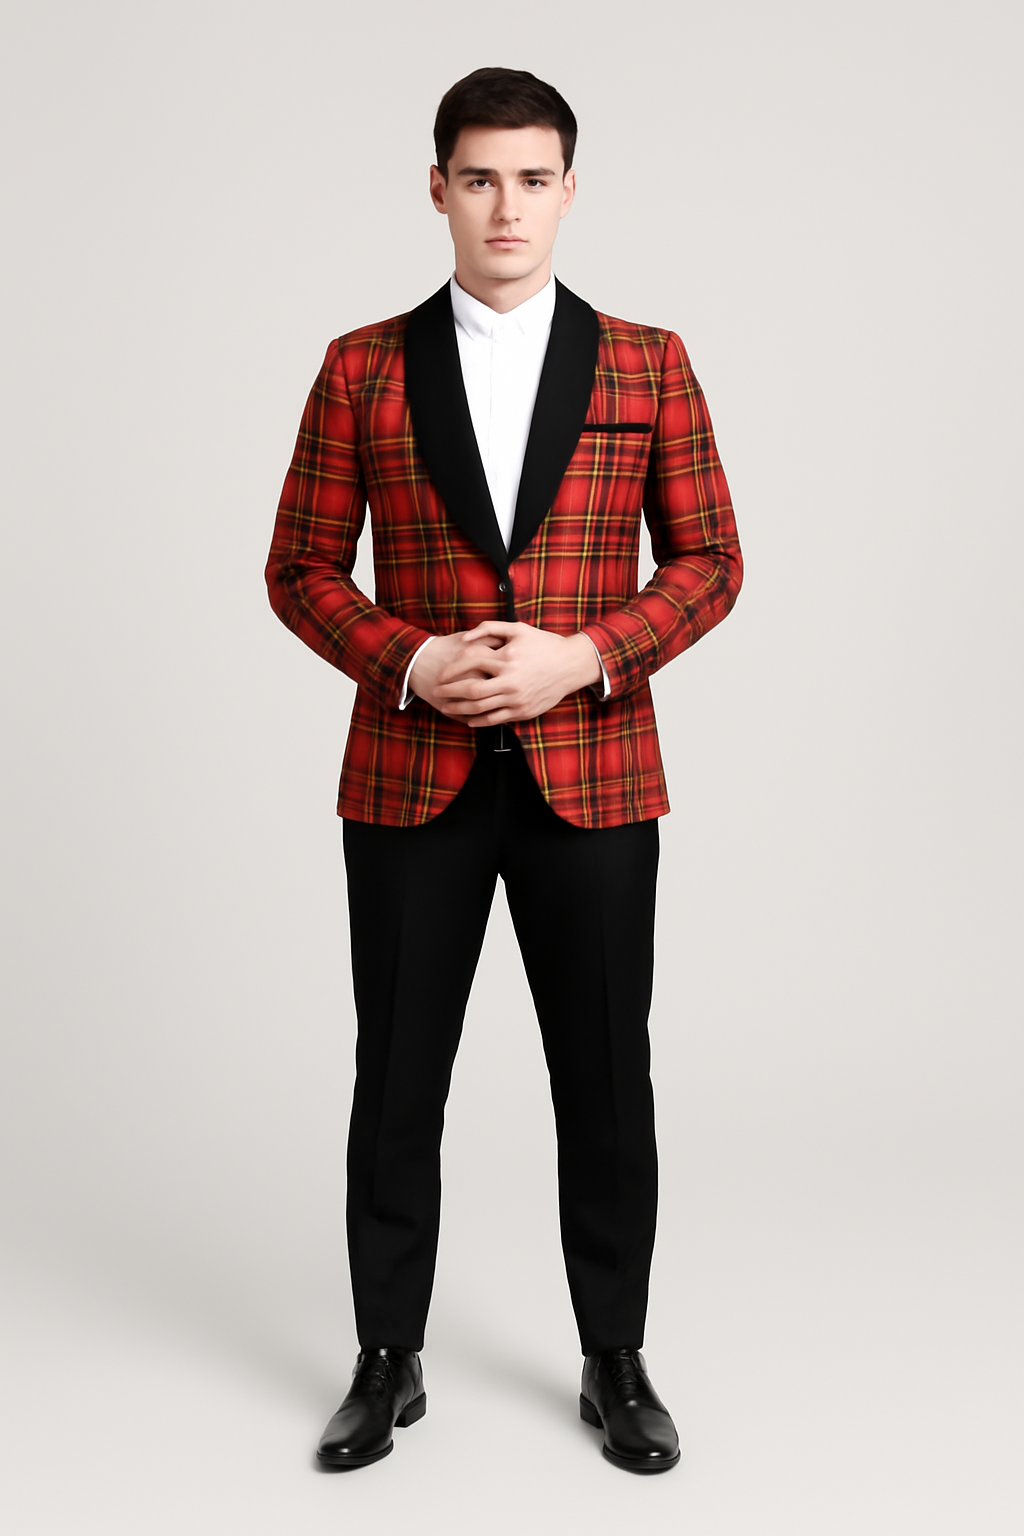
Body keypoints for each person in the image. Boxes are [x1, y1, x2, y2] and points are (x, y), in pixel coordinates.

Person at [265, 65, 742, 1475]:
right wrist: (410, 661)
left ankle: (616, 1359)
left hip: (593, 778)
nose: (507, 206)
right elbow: (300, 567)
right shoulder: (361, 365)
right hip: (409, 778)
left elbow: (712, 561)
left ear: (570, 191)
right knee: (397, 1077)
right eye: (480, 178)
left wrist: (585, 655)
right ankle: (385, 1359)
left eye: (534, 179)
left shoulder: (649, 361)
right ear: (438, 190)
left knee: (605, 1078)